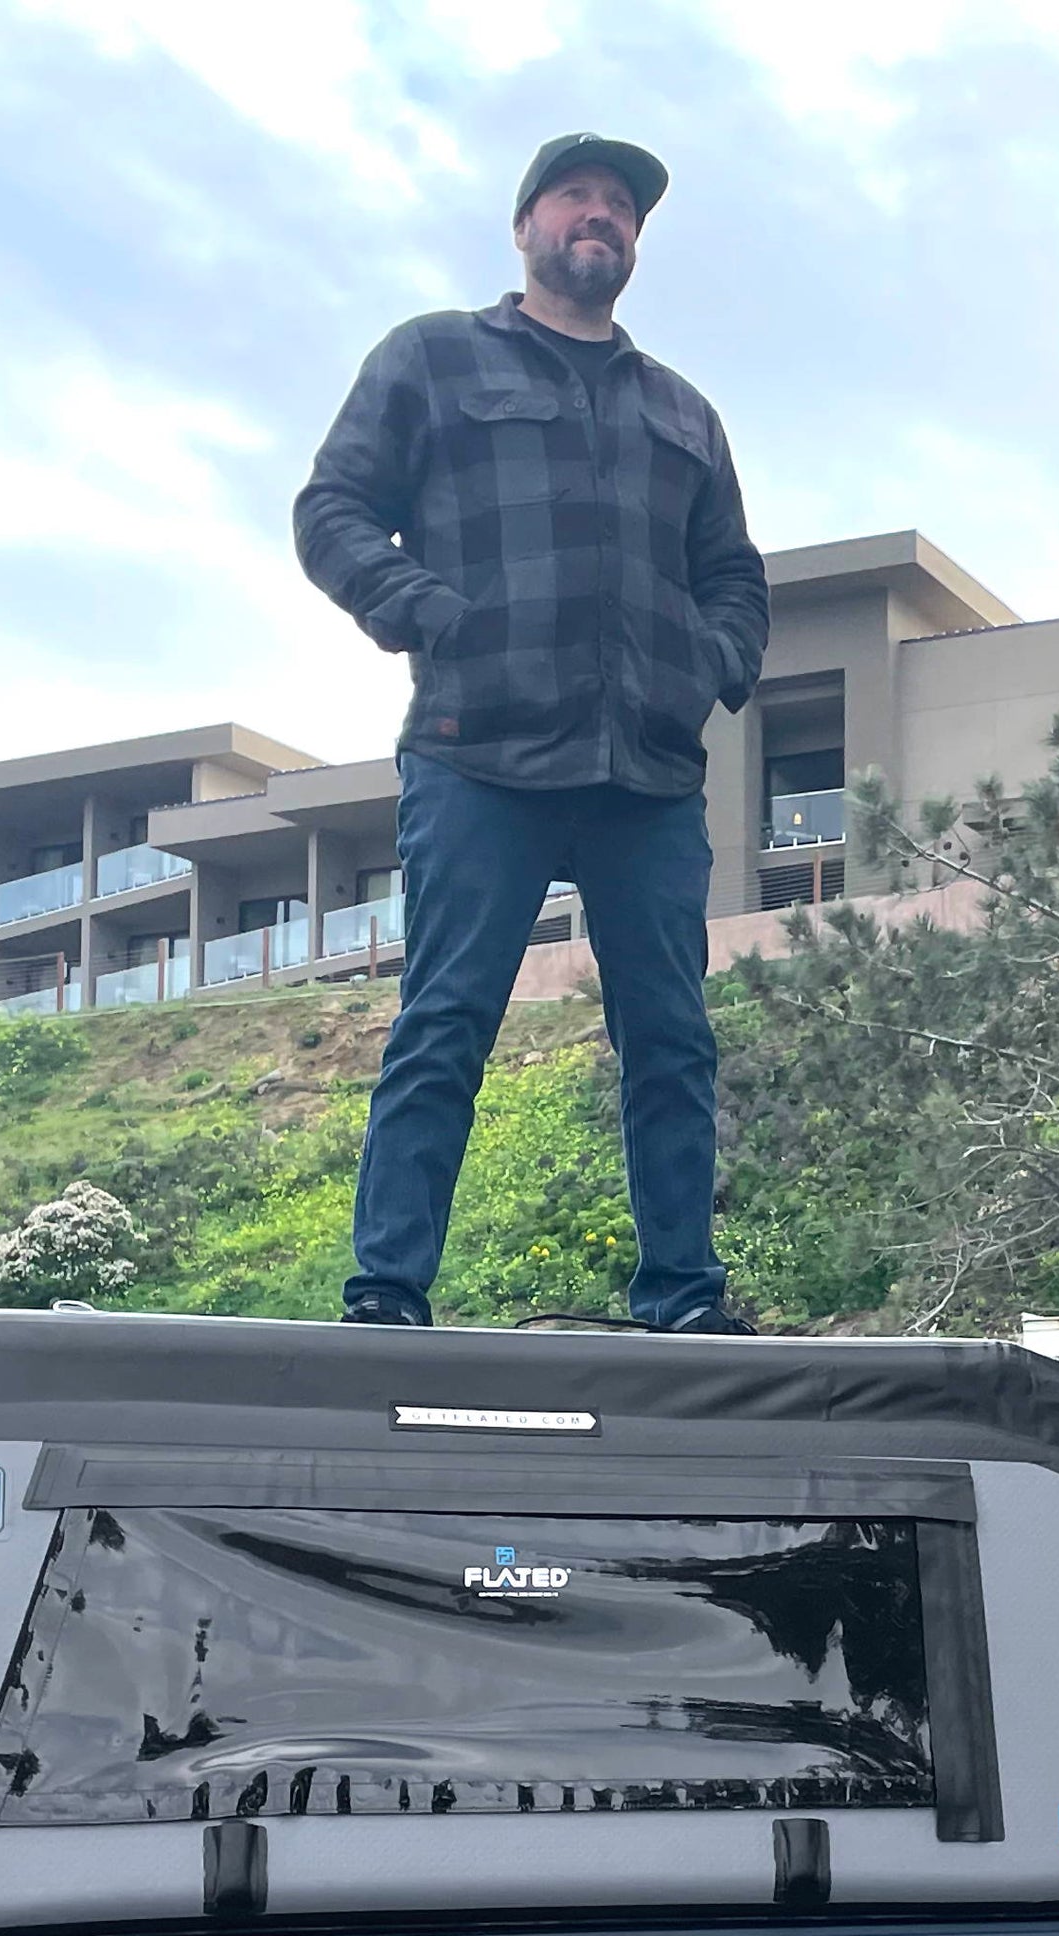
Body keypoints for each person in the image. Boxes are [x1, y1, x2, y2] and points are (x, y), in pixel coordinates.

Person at [294, 132, 771, 1332]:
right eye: (577, 198)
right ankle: (387, 1294)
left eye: (620, 207)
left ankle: (684, 1298)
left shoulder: (681, 410)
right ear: (526, 226)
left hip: (647, 775)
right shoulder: (433, 358)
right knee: (446, 1015)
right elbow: (333, 507)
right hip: (477, 752)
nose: (599, 217)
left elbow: (733, 573)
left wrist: (706, 668)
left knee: (670, 1037)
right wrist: (425, 616)